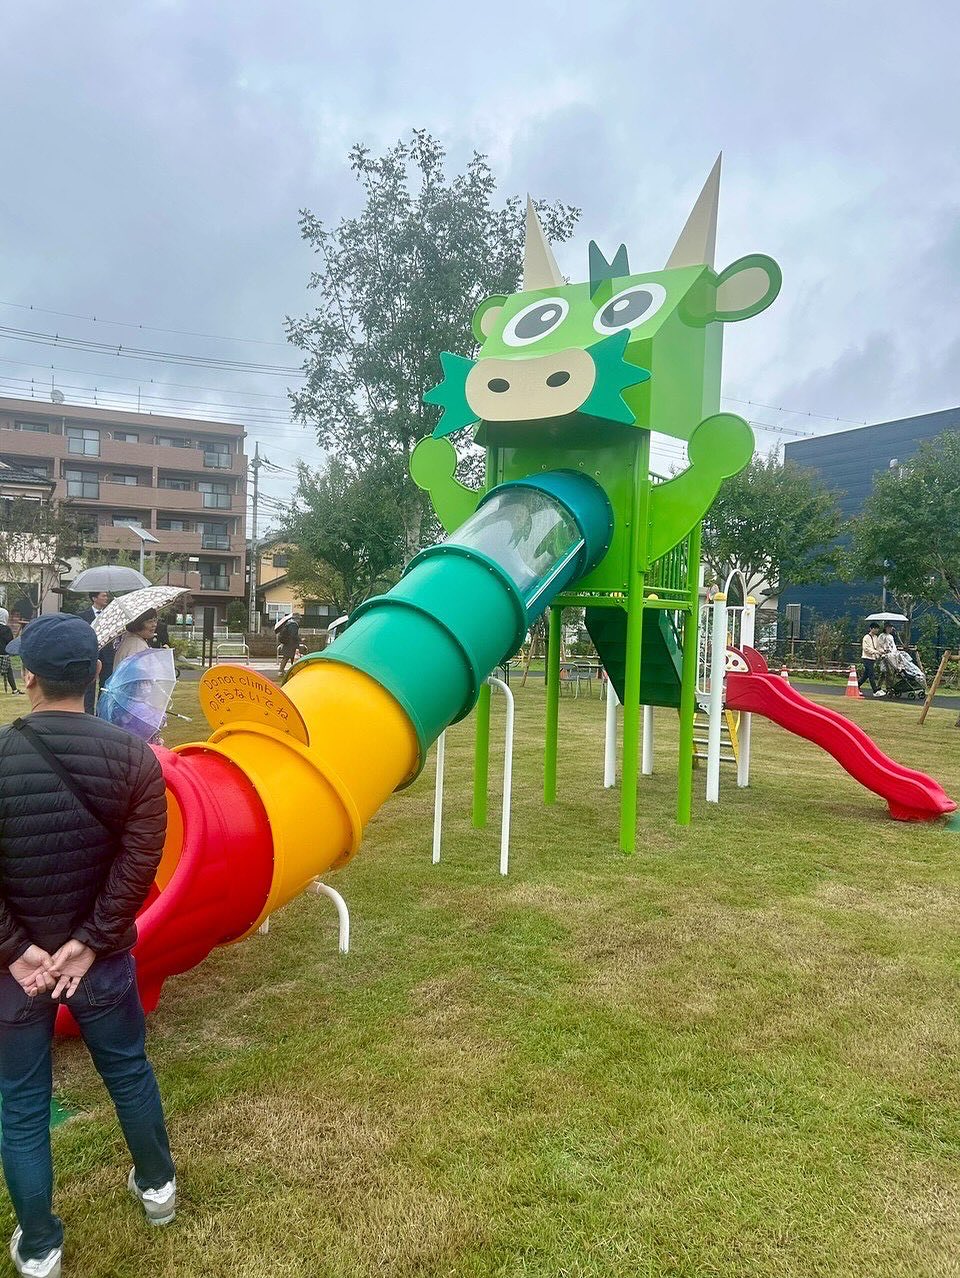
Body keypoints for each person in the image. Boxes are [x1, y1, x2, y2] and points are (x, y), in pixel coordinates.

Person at [0, 614, 174, 1277]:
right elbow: (140, 865)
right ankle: (158, 1188)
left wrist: (18, 952)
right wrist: (90, 943)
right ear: (97, 673)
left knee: (22, 1101)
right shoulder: (134, 757)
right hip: (97, 964)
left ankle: (39, 1245)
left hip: (16, 976)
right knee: (128, 1070)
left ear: (30, 678)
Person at [79, 592, 114, 715]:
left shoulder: (111, 615)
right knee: (89, 686)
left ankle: (102, 713)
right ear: (94, 598)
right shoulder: (83, 616)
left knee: (106, 687)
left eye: (106, 596)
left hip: (107, 654)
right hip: (90, 653)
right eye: (103, 596)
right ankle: (88, 714)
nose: (106, 598)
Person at [0, 608, 22, 696]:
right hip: (4, 655)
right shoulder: (6, 629)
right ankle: (14, 690)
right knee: (9, 671)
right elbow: (10, 643)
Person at [858, 622, 882, 696]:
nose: (877, 630)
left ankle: (857, 685)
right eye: (875, 628)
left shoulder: (876, 637)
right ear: (871, 629)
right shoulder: (866, 637)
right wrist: (876, 652)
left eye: (877, 629)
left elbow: (878, 647)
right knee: (871, 674)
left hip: (873, 658)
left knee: (866, 675)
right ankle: (875, 690)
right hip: (866, 657)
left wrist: (881, 651)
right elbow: (866, 648)